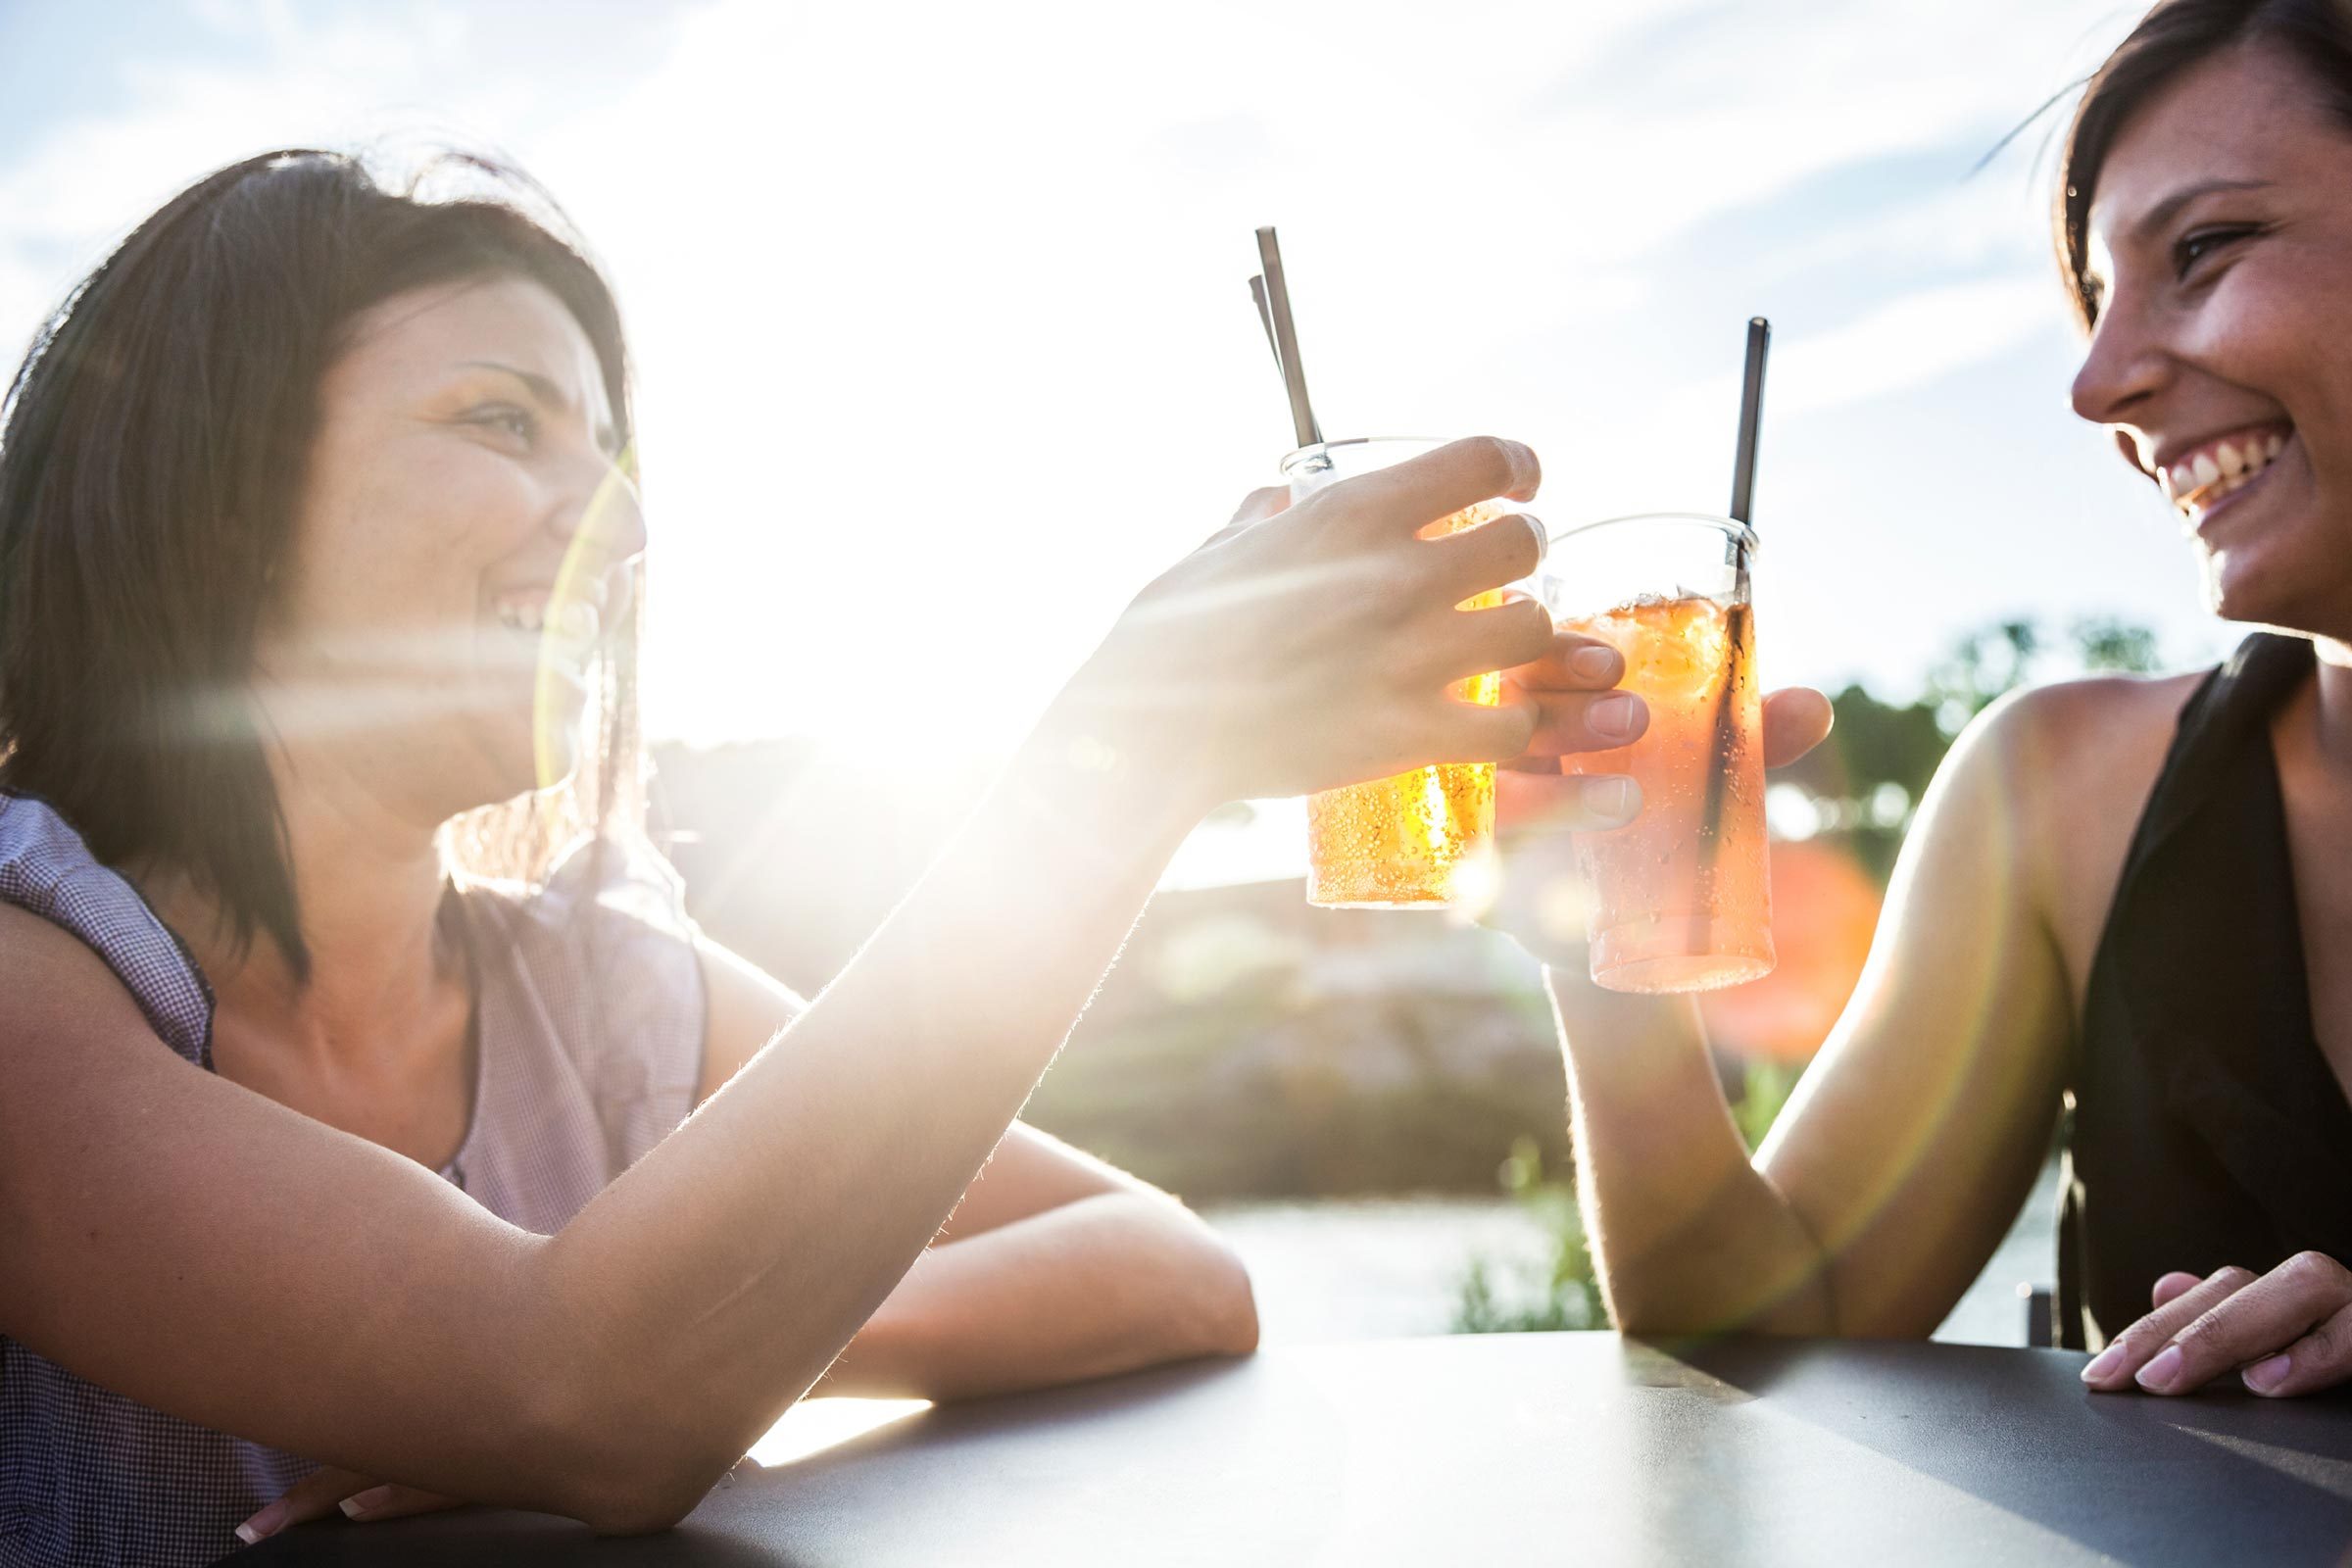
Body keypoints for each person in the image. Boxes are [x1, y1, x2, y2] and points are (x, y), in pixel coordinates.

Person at [0, 150, 1640, 1565]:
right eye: (503, 421)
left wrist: (757, 1344)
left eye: (611, 458)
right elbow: (576, 1392)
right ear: (216, 494)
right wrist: (1132, 749)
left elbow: (1176, 1267)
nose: (620, 533)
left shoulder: (596, 987)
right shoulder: (32, 988)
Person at [1497, 0, 2352, 1403]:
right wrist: (1596, 919)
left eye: (2203, 250)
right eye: (2097, 297)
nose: (2097, 385)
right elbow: (1763, 1326)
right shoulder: (2059, 792)